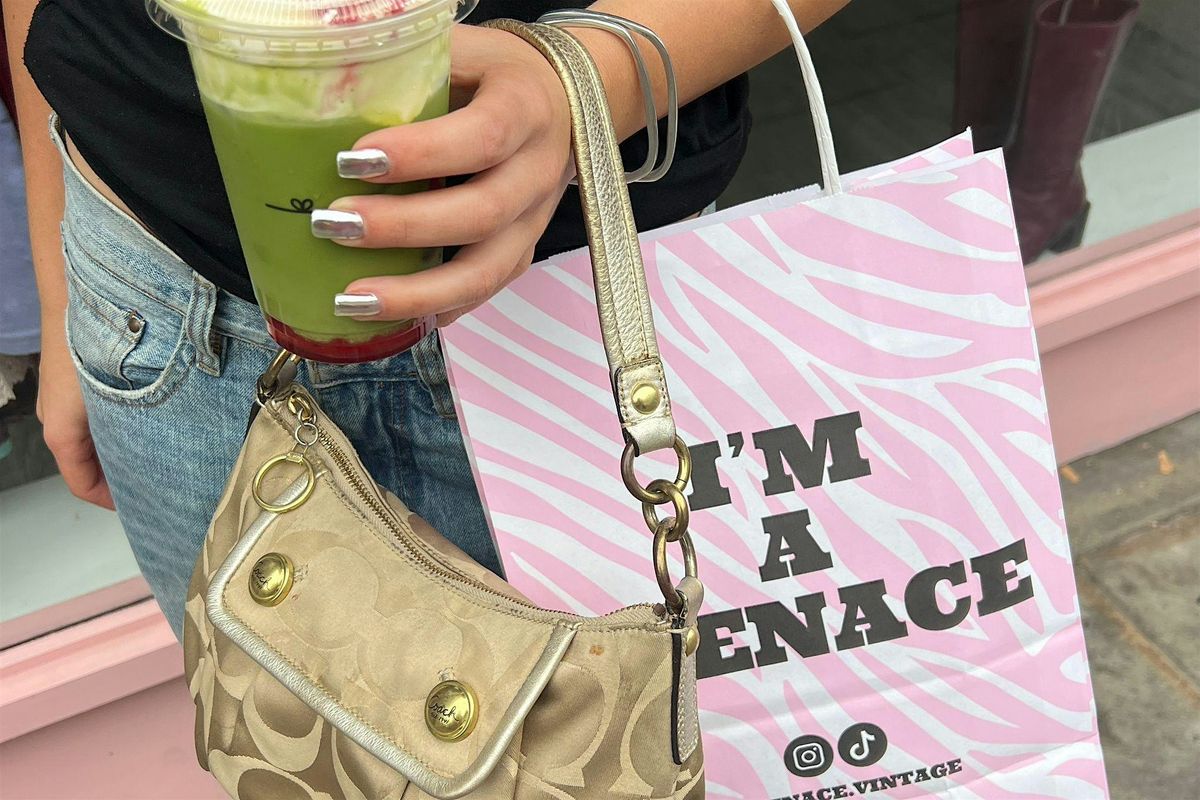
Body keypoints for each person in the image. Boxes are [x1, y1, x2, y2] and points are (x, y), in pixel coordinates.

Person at [4, 0, 846, 642]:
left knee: (634, 753)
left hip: (588, 325)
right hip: (160, 290)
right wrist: (63, 292)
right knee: (288, 755)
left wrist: (585, 80)